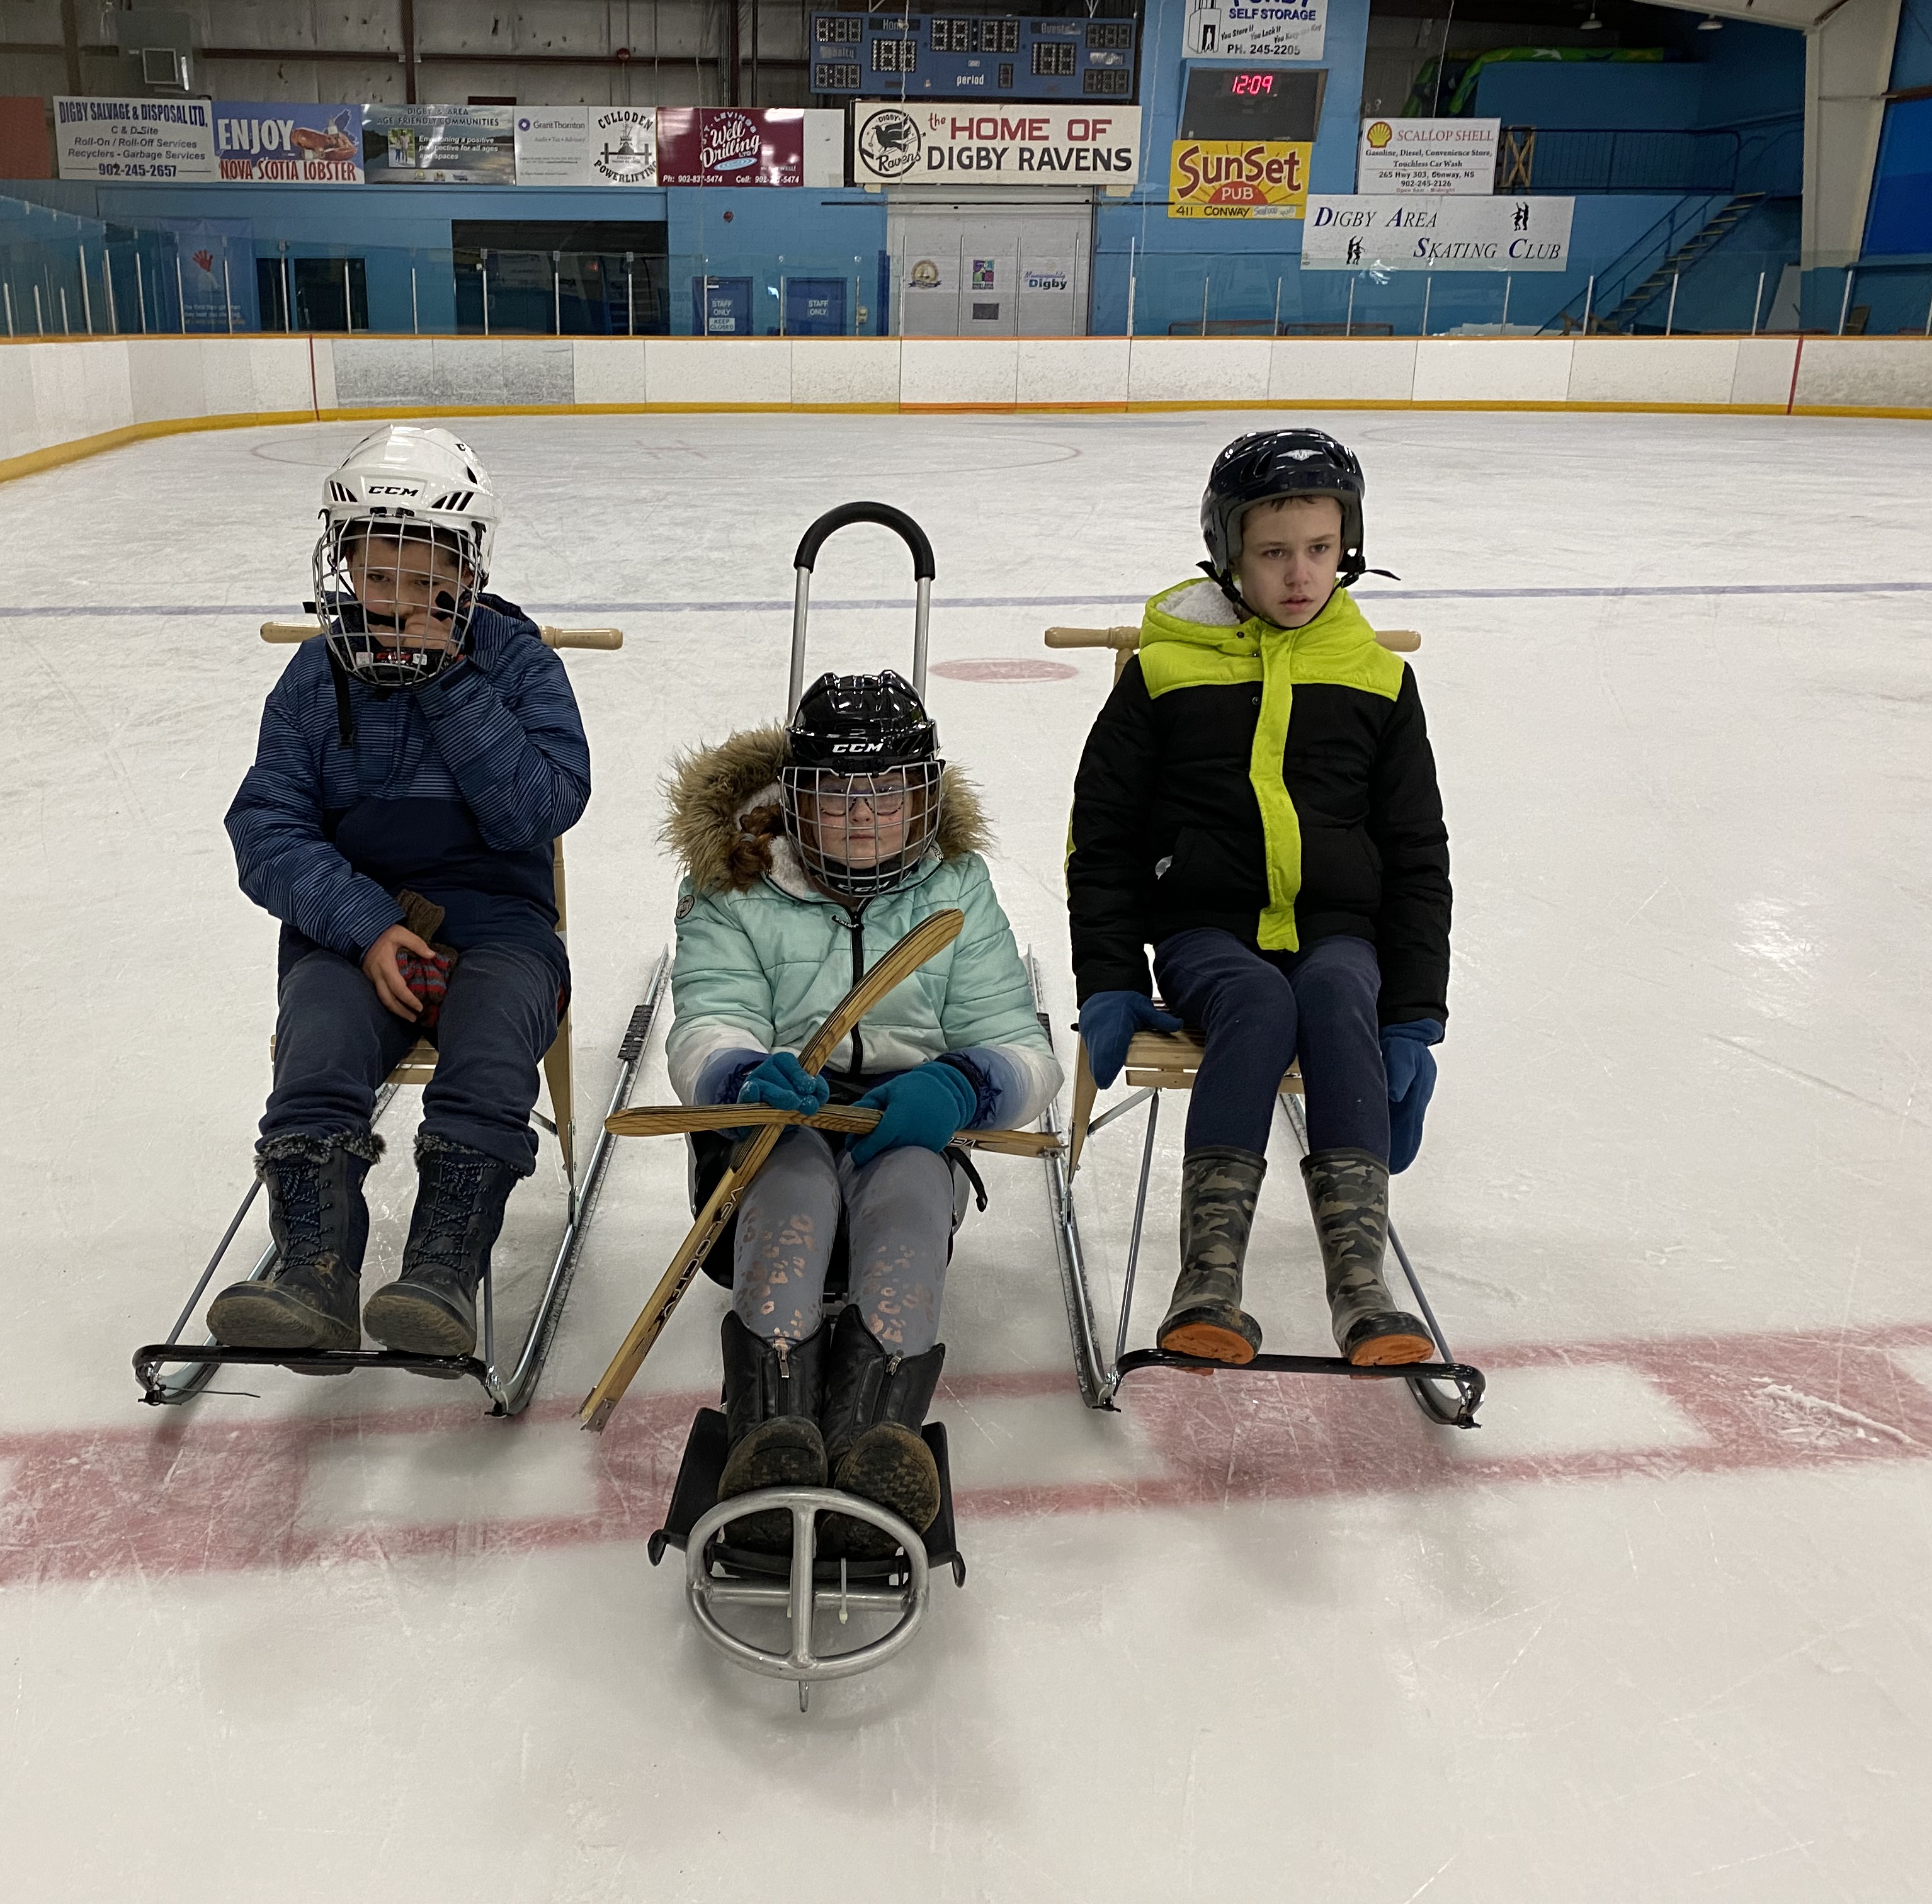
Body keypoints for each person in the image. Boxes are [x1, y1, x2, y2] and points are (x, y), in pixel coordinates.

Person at [1066, 429, 1452, 1368]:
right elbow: (1102, 839)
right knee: (1256, 1000)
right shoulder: (1165, 673)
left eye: (1320, 549)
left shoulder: (1377, 680)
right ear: (1229, 550)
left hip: (1337, 929)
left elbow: (1416, 855)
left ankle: (1362, 1287)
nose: (1299, 574)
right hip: (1208, 928)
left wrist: (1411, 1014)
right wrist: (1111, 978)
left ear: (1347, 546)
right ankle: (1208, 1279)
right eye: (1274, 552)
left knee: (1331, 993)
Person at [208, 425, 589, 1359]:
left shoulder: (518, 666)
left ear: (468, 573)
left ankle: (440, 1271)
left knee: (496, 1044)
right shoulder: (311, 680)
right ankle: (314, 1272)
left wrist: (452, 689)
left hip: (500, 923)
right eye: (379, 581)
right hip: (355, 929)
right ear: (341, 564)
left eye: (427, 585)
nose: (399, 606)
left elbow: (540, 808)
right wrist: (367, 923)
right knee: (320, 1043)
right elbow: (265, 827)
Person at [663, 671, 1060, 1552]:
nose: (862, 811)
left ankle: (874, 1433)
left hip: (905, 1116)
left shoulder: (958, 886)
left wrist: (966, 1083)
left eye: (887, 788)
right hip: (782, 1116)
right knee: (790, 1197)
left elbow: (1025, 1047)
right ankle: (770, 1430)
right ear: (794, 793)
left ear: (924, 793)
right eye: (837, 789)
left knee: (912, 1209)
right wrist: (738, 1076)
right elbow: (705, 1017)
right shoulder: (738, 882)